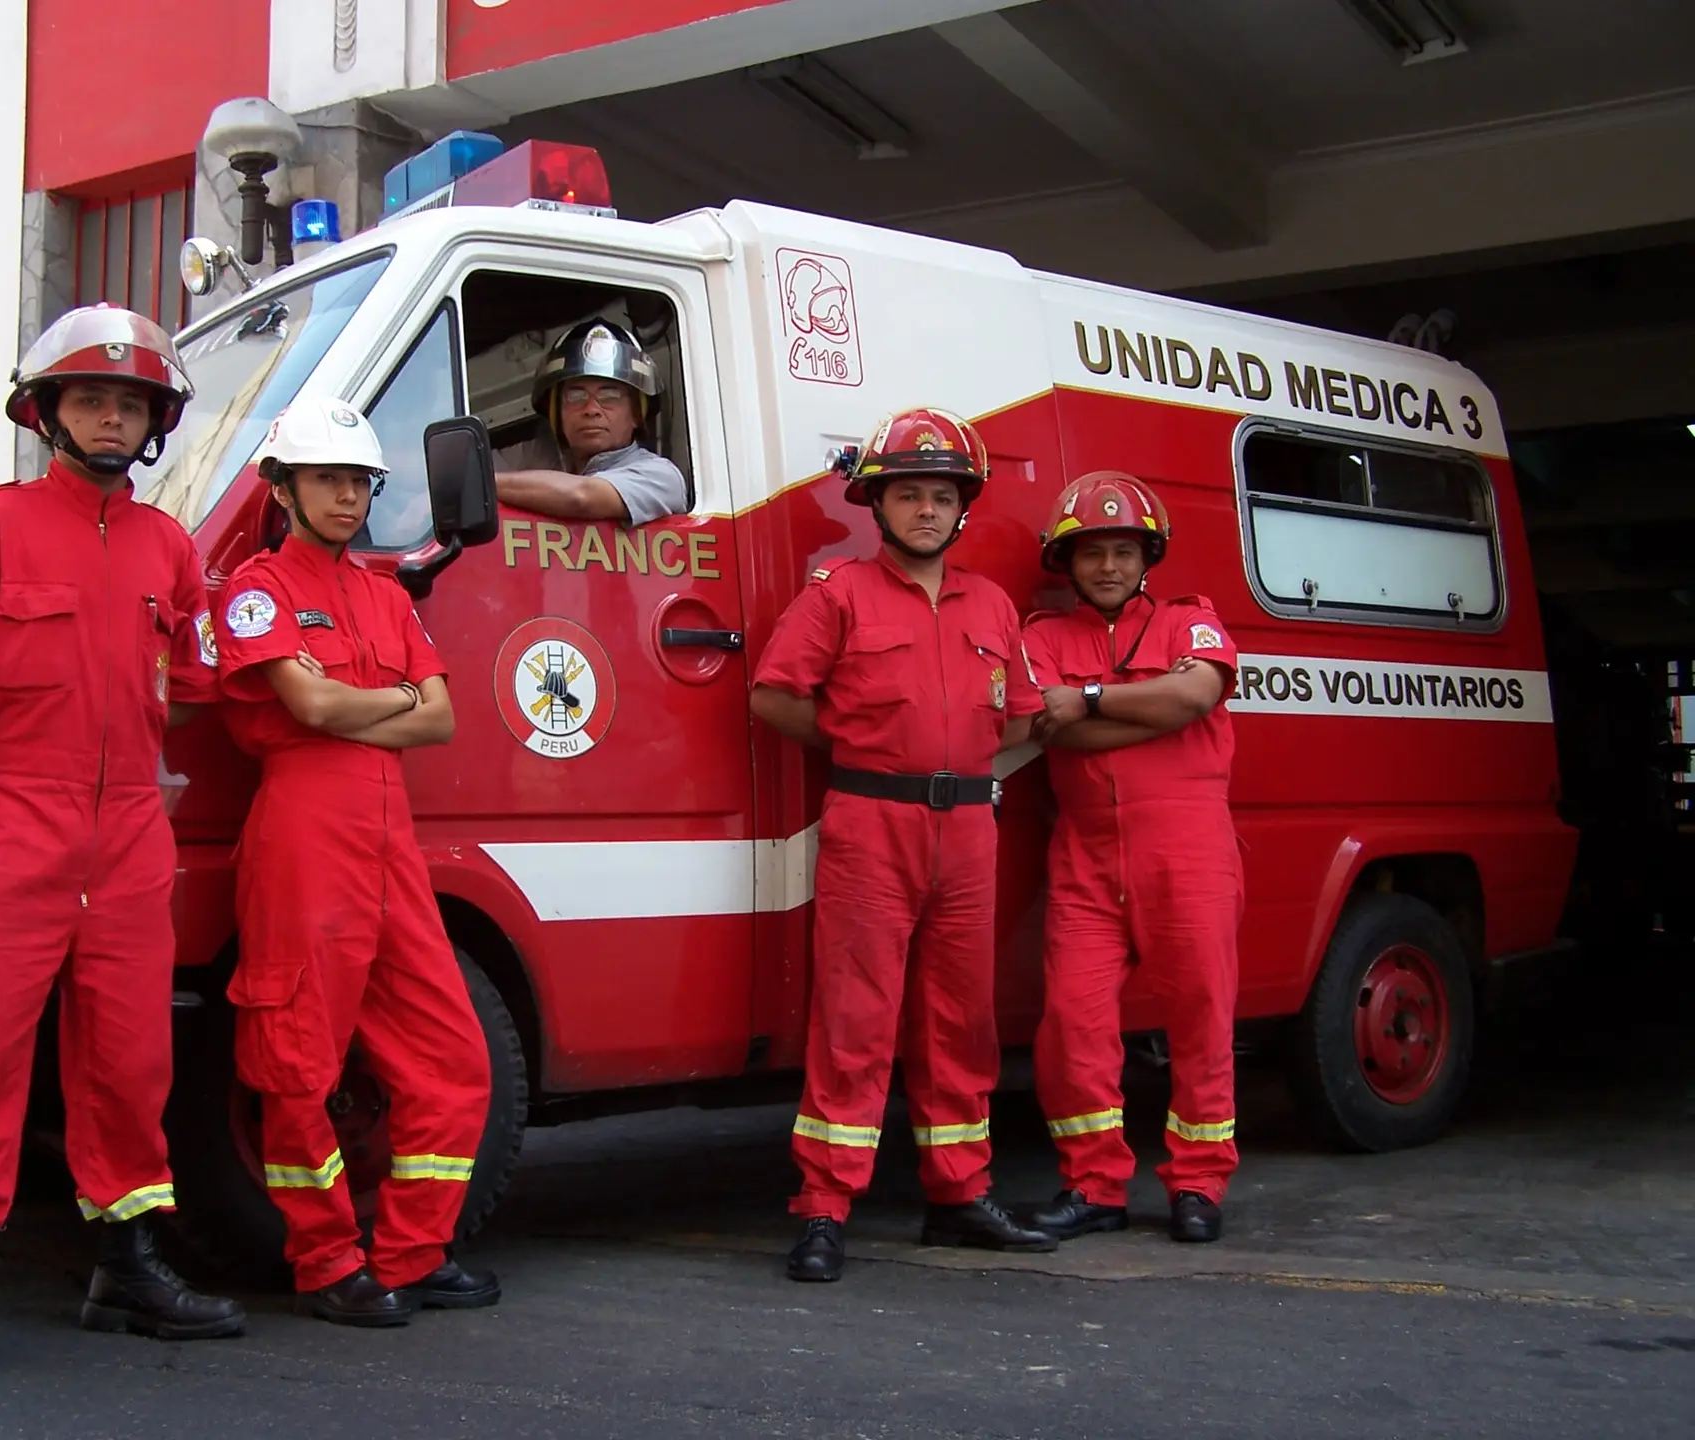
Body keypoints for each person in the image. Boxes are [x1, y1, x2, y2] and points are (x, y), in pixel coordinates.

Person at [0, 304, 245, 1386]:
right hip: (13, 821)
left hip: (127, 843)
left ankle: (126, 1267)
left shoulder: (171, 547)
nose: (112, 418)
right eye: (91, 398)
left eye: (131, 403)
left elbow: (201, 687)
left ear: (154, 421)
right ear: (47, 411)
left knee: (130, 1060)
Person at [751, 407, 1057, 1282]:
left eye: (942, 496)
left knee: (963, 1021)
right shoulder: (836, 594)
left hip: (968, 827)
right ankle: (823, 1206)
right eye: (910, 494)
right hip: (870, 821)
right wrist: (862, 742)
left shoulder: (992, 604)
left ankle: (959, 1196)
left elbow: (1024, 714)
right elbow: (775, 698)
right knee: (855, 1017)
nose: (927, 510)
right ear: (876, 506)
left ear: (963, 510)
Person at [213, 396, 496, 1326]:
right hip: (303, 838)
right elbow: (313, 713)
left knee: (452, 1058)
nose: (347, 496)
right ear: (283, 490)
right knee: (298, 1063)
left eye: (358, 481)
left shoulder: (382, 594)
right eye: (328, 479)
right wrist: (389, 701)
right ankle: (328, 1261)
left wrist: (349, 698)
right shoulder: (255, 589)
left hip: (389, 848)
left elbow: (445, 719)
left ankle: (413, 1253)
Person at [1018, 471, 1243, 1245]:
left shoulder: (1191, 621)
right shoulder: (1039, 637)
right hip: (1084, 859)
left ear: (1147, 555)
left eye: (1122, 550)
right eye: (1090, 553)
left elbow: (1193, 698)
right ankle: (1094, 1186)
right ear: (1067, 562)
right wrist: (1141, 708)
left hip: (1190, 852)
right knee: (1071, 1026)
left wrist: (1084, 700)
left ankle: (1199, 1184)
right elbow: (1055, 732)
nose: (1107, 566)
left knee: (1202, 1018)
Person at [494, 319, 687, 524]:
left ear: (637, 414)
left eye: (609, 396)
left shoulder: (661, 476)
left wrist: (483, 486)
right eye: (576, 396)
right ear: (557, 413)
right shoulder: (541, 461)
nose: (591, 410)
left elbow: (582, 497)